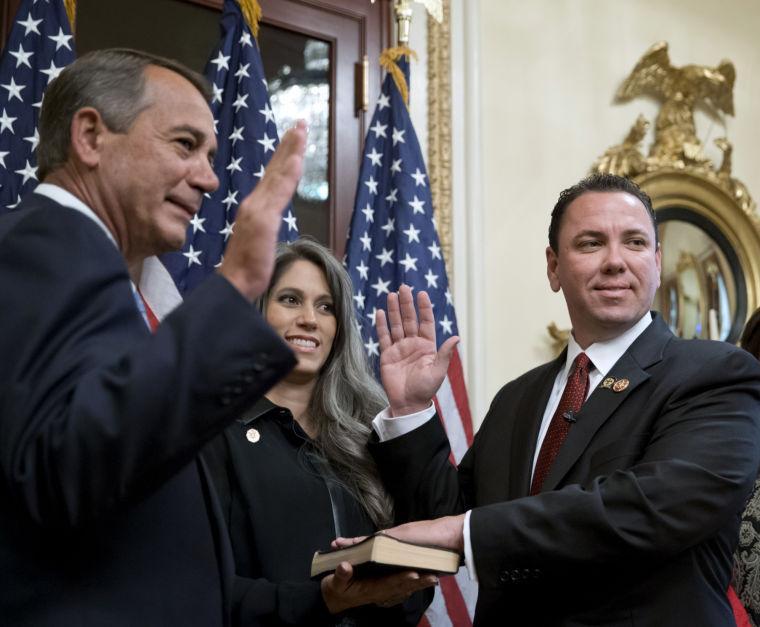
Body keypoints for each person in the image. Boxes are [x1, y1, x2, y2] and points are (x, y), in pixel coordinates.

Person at [351, 173, 760, 626]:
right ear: (553, 267)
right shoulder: (517, 398)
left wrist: (463, 531)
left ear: (657, 263)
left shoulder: (717, 374)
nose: (615, 262)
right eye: (590, 243)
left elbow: (651, 508)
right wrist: (411, 410)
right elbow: (448, 522)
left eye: (636, 243)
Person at [0, 48, 306, 626]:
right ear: (90, 136)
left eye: (211, 155)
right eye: (185, 145)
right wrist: (236, 282)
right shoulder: (38, 248)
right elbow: (70, 467)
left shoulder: (96, 270)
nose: (210, 179)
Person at [203, 238, 435, 626]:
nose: (310, 318)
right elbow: (201, 588)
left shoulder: (372, 431)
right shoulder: (210, 433)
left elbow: (426, 555)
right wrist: (323, 599)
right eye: (290, 300)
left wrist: (410, 410)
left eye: (326, 307)